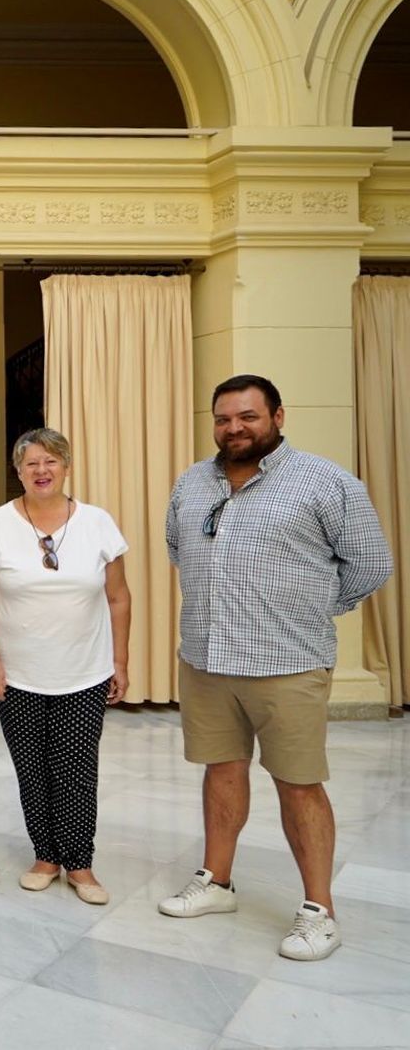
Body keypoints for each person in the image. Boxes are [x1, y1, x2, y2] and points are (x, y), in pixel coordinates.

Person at [158, 374, 391, 961]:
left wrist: (311, 607)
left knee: (299, 782)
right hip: (207, 658)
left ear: (277, 417)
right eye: (223, 418)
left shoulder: (326, 482)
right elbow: (178, 549)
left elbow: (370, 564)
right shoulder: (192, 482)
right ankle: (217, 881)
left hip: (286, 662)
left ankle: (319, 910)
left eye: (248, 416)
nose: (234, 428)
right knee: (221, 769)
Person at [0, 427, 131, 905]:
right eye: (31, 463)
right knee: (31, 767)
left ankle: (79, 863)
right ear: (18, 471)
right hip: (16, 675)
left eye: (51, 461)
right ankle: (45, 856)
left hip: (84, 671)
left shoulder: (97, 523)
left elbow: (118, 597)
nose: (41, 471)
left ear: (66, 467)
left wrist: (120, 660)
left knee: (77, 768)